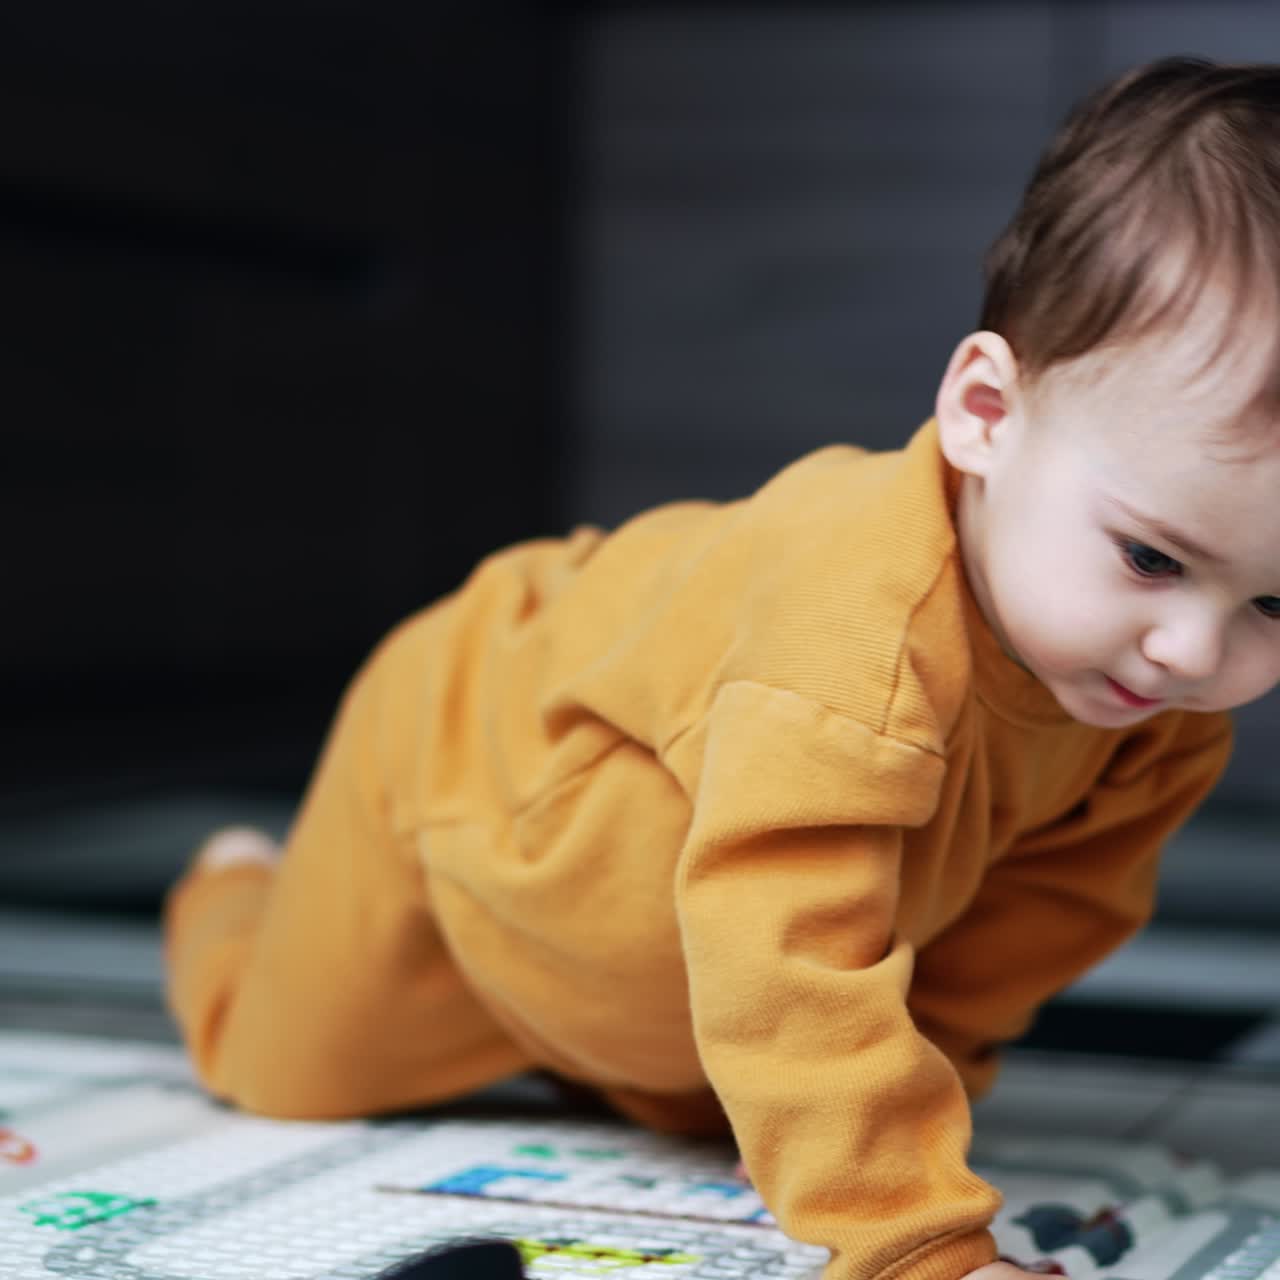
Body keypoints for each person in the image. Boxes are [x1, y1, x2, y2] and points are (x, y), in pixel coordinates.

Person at [164, 56, 1280, 1280]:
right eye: (1147, 555)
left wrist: (899, 1125)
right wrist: (915, 1246)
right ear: (984, 413)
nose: (1195, 649)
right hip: (462, 811)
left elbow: (1024, 932)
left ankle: (659, 1059)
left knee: (756, 1085)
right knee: (279, 1066)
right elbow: (787, 948)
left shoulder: (1152, 698)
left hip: (673, 969)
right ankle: (233, 885)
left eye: (1271, 600)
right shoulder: (847, 628)